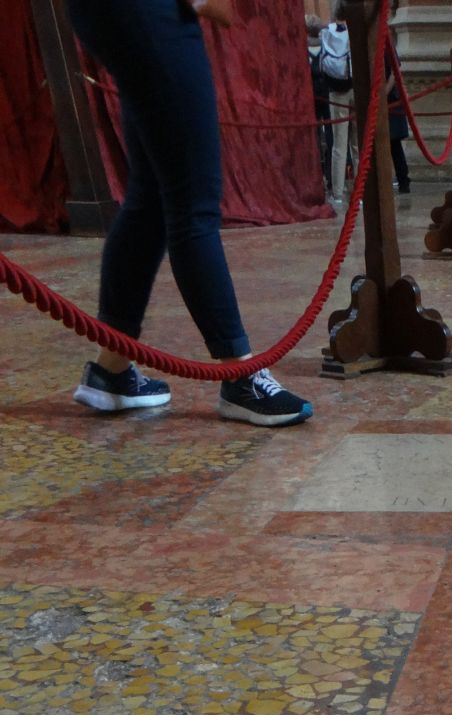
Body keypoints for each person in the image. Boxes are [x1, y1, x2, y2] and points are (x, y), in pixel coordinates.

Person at [65, 0, 311, 425]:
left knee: (152, 199)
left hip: (110, 14)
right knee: (193, 201)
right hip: (152, 12)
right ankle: (240, 375)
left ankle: (112, 368)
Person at [319, 7, 357, 205]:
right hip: (357, 89)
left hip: (336, 92)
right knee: (358, 145)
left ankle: (338, 192)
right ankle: (361, 191)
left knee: (339, 146)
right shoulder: (358, 30)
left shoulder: (327, 32)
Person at [305, 14, 333, 199]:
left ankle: (318, 176)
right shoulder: (328, 44)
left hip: (312, 99)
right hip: (328, 96)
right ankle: (331, 178)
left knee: (314, 140)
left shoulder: (302, 47)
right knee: (331, 139)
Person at [385, 59, 410, 197]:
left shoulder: (388, 47)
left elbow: (395, 72)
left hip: (391, 100)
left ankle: (403, 180)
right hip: (385, 98)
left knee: (394, 143)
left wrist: (384, 92)